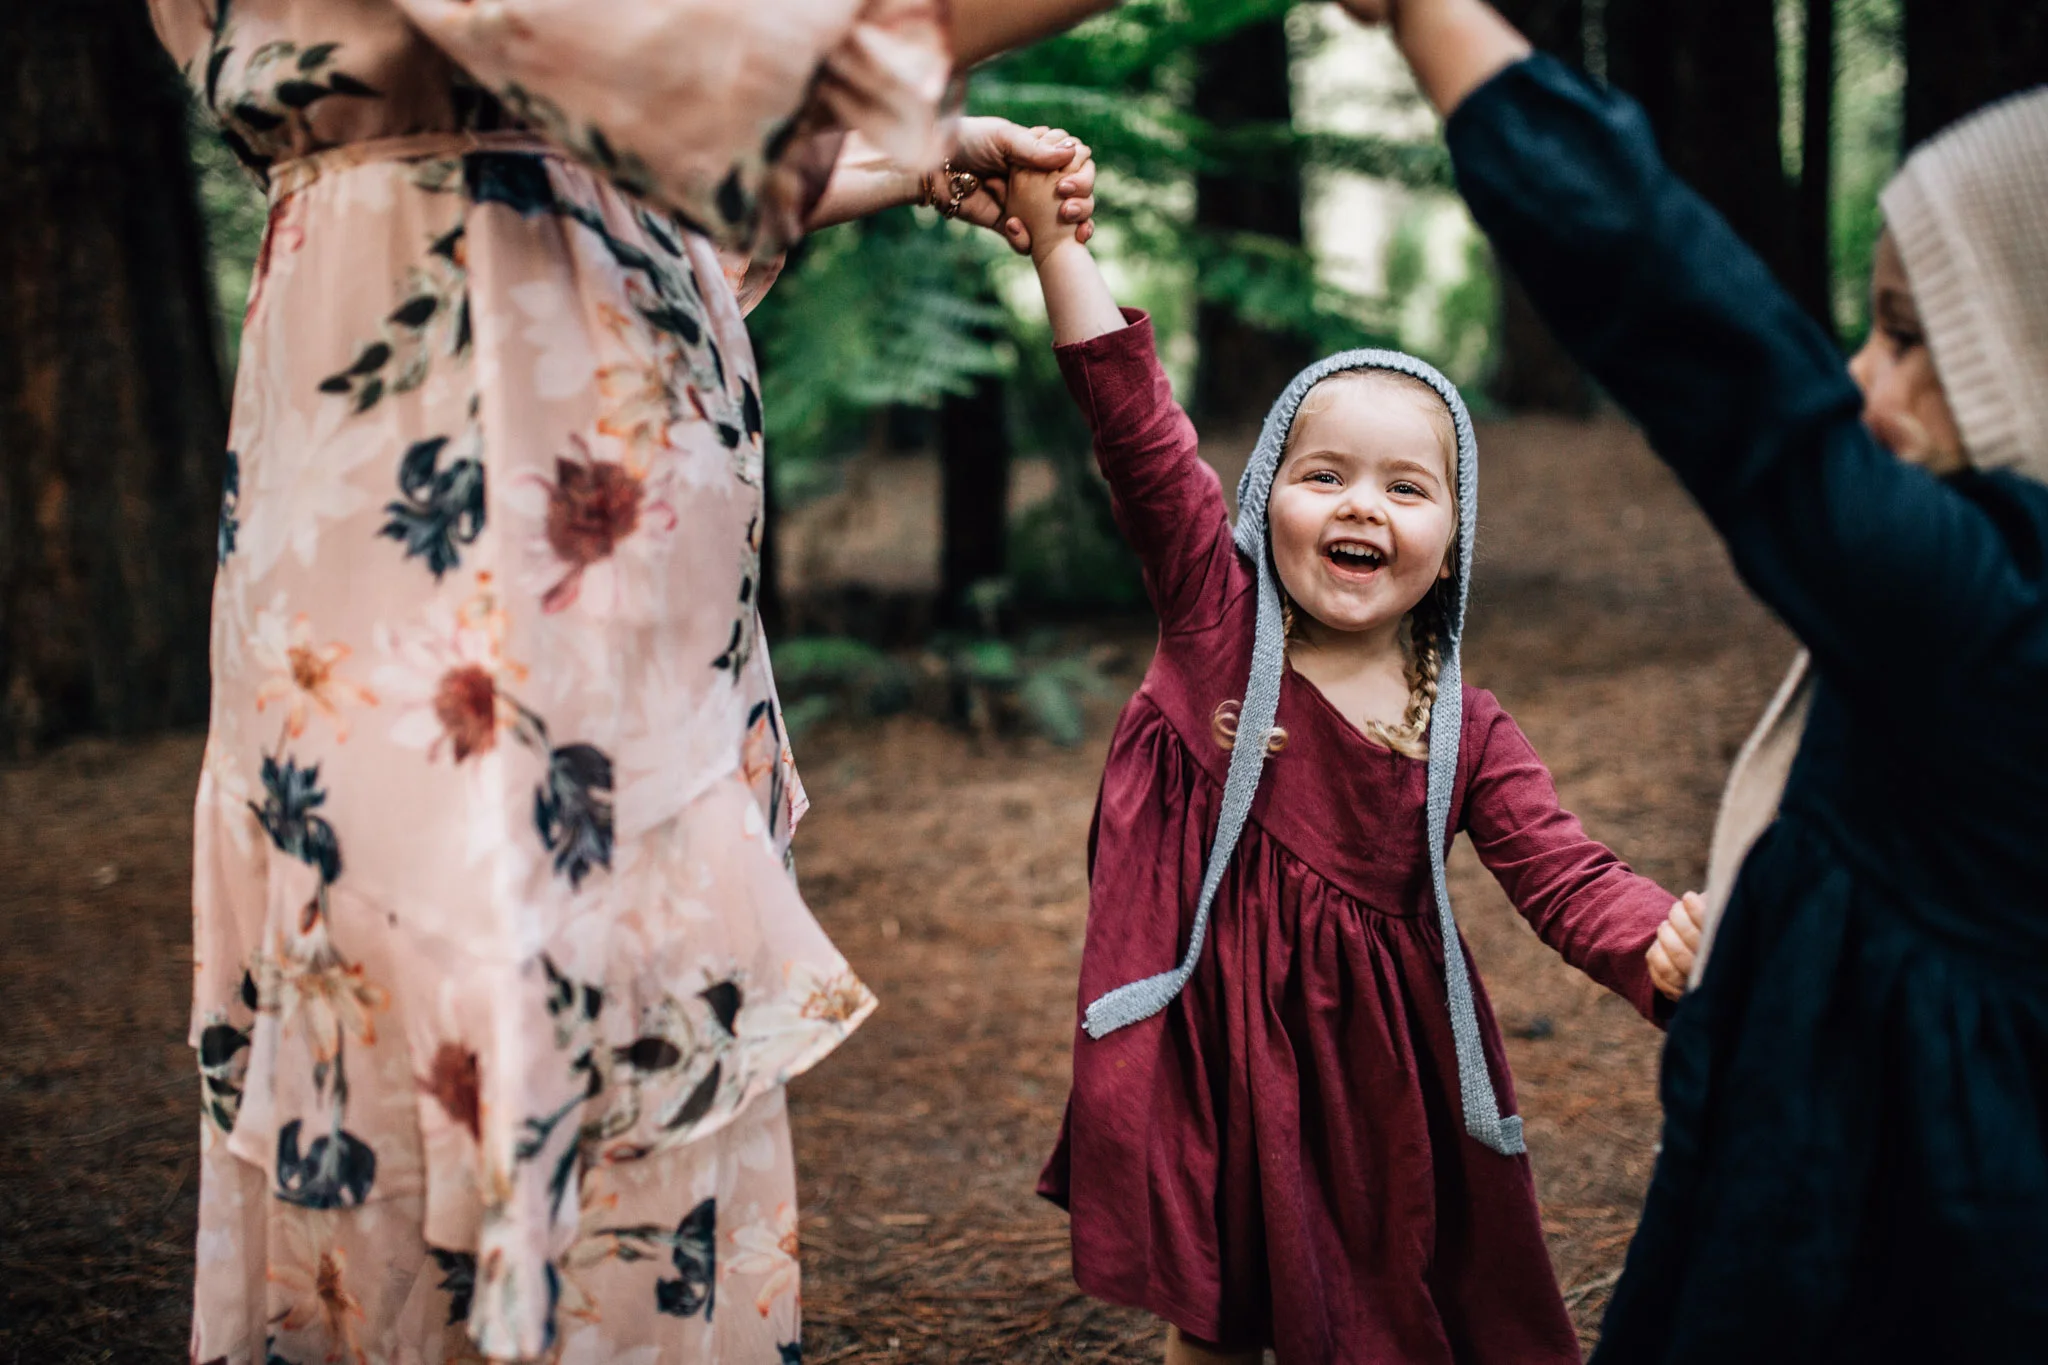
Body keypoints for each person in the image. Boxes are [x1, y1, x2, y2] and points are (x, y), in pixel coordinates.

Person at [148, 0, 1110, 1359]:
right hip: (468, 571)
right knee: (470, 1047)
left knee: (606, 1091)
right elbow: (628, 61)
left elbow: (606, 162)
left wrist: (905, 157)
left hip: (614, 612)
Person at [1342, 0, 2048, 1358]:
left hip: (1873, 1260)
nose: (1861, 377)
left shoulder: (1990, 632)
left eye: (1910, 340)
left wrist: (1433, 20)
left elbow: (1715, 356)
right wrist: (1793, 906)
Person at [1008, 147, 1695, 1364]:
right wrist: (1058, 246)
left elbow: (1564, 876)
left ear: (1450, 540)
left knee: (1370, 1312)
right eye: (1322, 476)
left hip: (1374, 1076)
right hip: (1216, 1048)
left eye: (1404, 488)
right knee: (1216, 1320)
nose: (1360, 507)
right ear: (1264, 497)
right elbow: (1137, 431)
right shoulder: (1214, 622)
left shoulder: (1459, 725)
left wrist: (1657, 941)